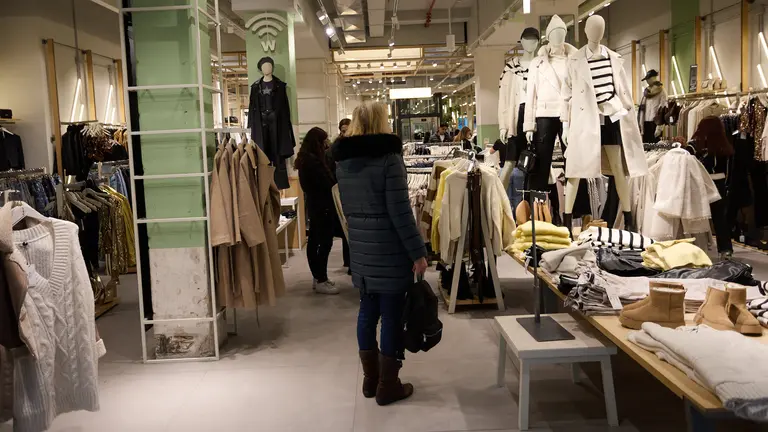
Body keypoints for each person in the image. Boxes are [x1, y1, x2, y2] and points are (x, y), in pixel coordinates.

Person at [332, 101, 428, 406]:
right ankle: (389, 384)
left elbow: (348, 210)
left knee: (366, 312)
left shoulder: (343, 162)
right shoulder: (389, 159)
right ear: (382, 121)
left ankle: (370, 380)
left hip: (361, 249)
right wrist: (418, 252)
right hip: (389, 251)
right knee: (390, 316)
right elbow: (401, 213)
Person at [295, 127, 340, 294]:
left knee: (316, 241)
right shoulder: (312, 162)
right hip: (322, 206)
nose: (326, 144)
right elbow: (325, 183)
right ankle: (320, 278)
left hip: (316, 205)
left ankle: (319, 277)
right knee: (323, 242)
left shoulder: (307, 159)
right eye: (323, 141)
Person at [686, 116, 734, 260]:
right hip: (719, 185)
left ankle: (696, 248)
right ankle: (725, 250)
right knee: (720, 220)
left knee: (696, 218)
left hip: (700, 185)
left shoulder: (694, 146)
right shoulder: (725, 146)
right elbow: (729, 171)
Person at [329, 118, 352, 271]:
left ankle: (353, 262)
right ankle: (349, 262)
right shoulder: (335, 147)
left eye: (347, 129)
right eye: (343, 130)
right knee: (346, 226)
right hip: (341, 190)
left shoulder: (356, 145)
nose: (345, 132)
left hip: (353, 190)